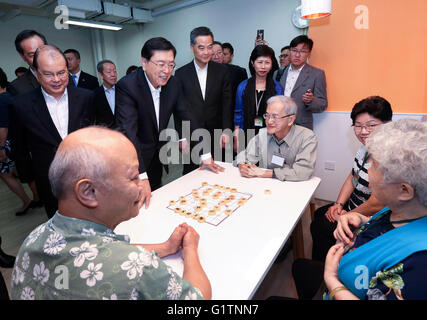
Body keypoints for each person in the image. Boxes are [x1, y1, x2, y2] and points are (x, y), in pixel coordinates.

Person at [10, 126, 212, 300]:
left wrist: (166, 247)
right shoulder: (138, 270)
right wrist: (190, 251)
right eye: (133, 178)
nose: (141, 187)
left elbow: (90, 251)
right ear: (88, 192)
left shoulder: (32, 242)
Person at [322, 119, 427, 300]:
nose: (369, 171)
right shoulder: (405, 209)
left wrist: (332, 280)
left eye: (375, 166)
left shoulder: (419, 263)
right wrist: (361, 219)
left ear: (404, 190)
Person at [116, 37, 220, 193]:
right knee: (135, 202)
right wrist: (141, 176)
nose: (166, 70)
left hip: (157, 154)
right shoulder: (128, 86)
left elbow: (187, 116)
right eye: (161, 64)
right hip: (134, 159)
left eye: (171, 64)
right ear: (144, 63)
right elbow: (129, 133)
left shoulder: (173, 84)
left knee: (156, 193)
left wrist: (205, 154)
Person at [9, 45, 95, 219]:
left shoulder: (86, 97)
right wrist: (30, 180)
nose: (56, 79)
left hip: (88, 176)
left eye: (61, 73)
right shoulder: (21, 105)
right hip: (48, 180)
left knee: (93, 222)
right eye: (48, 74)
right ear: (37, 73)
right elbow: (20, 147)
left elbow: (97, 136)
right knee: (59, 226)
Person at [311, 96, 392, 262]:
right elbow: (352, 177)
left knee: (321, 226)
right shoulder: (364, 148)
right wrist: (338, 204)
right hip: (353, 206)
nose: (363, 131)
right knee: (320, 213)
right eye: (358, 126)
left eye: (371, 126)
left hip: (371, 217)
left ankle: (326, 271)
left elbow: (376, 204)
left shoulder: (389, 157)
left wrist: (346, 215)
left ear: (387, 126)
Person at [175, 26, 233, 174]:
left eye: (209, 47)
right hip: (192, 135)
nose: (206, 52)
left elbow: (227, 103)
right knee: (192, 173)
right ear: (191, 47)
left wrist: (227, 130)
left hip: (217, 132)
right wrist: (181, 137)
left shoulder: (222, 71)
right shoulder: (181, 74)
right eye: (201, 48)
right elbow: (179, 108)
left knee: (219, 172)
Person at [7, 30, 47, 209]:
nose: (39, 57)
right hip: (43, 162)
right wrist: (27, 175)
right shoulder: (18, 88)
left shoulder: (65, 76)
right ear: (22, 57)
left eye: (42, 49)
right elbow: (18, 135)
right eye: (32, 54)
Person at [235, 95, 317, 182]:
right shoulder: (263, 134)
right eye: (267, 115)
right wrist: (242, 165)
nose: (269, 121)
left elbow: (303, 172)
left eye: (275, 117)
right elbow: (245, 155)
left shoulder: (307, 137)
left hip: (294, 188)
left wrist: (266, 173)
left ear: (290, 120)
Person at [234, 45, 282, 151]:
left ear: (272, 64)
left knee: (265, 165)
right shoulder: (243, 86)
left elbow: (280, 114)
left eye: (267, 62)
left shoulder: (277, 87)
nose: (263, 67)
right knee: (245, 164)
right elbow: (238, 112)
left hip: (270, 135)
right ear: (252, 63)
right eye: (260, 62)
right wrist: (237, 135)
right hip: (246, 133)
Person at [0, 68, 34, 216]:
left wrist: (1, 147)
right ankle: (36, 197)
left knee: (5, 174)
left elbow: (3, 127)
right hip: (17, 141)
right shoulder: (10, 96)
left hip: (6, 143)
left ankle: (26, 200)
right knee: (24, 169)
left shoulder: (1, 100)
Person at [279, 35, 327, 130]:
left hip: (301, 127)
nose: (297, 55)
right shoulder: (279, 73)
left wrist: (311, 100)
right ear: (290, 51)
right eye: (294, 50)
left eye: (303, 51)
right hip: (279, 125)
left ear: (309, 54)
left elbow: (323, 104)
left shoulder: (317, 74)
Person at [94, 60, 117, 128]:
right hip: (106, 134)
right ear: (101, 75)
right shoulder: (94, 95)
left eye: (115, 71)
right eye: (109, 72)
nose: (113, 75)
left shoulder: (124, 90)